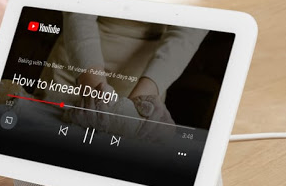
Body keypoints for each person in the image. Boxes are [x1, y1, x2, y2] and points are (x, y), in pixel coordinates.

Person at [38, 12, 208, 140]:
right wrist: (93, 85)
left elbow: (189, 29)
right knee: (49, 138)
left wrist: (141, 101)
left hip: (149, 70)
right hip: (79, 60)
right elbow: (79, 11)